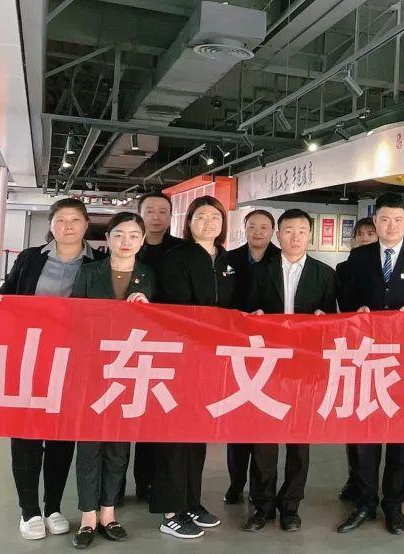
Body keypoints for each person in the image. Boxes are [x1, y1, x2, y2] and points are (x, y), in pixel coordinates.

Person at [0, 198, 106, 541]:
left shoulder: (98, 263)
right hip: (29, 359)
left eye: (75, 220)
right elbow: (8, 294)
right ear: (51, 225)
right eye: (61, 220)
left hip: (74, 363)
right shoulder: (30, 258)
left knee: (60, 436)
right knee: (26, 434)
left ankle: (53, 506)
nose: (68, 226)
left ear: (86, 225)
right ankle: (29, 510)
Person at [335, 193, 404, 535]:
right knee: (366, 434)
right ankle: (365, 502)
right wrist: (357, 311)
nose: (390, 226)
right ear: (375, 221)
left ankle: (393, 505)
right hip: (366, 357)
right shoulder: (359, 257)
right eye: (384, 219)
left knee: (397, 436)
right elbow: (345, 299)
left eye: (397, 220)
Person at [241, 209, 337, 533]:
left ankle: (291, 506)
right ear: (278, 235)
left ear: (310, 235)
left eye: (301, 231)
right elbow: (244, 314)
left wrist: (324, 319)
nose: (295, 237)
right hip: (266, 365)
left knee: (299, 441)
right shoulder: (258, 271)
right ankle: (262, 505)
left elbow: (332, 323)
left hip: (305, 367)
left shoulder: (325, 274)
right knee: (263, 440)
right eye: (289, 231)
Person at [68, 212, 154, 549]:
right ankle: (88, 516)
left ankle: (109, 513)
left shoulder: (148, 275)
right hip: (92, 369)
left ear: (142, 240)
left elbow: (161, 325)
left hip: (130, 370)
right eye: (118, 234)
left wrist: (148, 307)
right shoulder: (90, 272)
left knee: (119, 446)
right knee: (90, 445)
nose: (125, 241)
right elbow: (73, 317)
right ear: (108, 238)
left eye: (133, 235)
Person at [153, 195, 235, 539]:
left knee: (198, 432)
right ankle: (171, 511)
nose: (208, 223)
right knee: (175, 433)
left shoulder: (228, 260)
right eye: (200, 217)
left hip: (214, 359)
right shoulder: (176, 258)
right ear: (188, 223)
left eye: (214, 217)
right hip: (181, 357)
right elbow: (177, 308)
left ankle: (191, 502)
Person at [221, 209, 281, 506]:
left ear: (273, 231)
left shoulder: (281, 260)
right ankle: (236, 483)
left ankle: (262, 491)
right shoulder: (228, 259)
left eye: (264, 227)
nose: (258, 232)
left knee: (265, 426)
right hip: (236, 348)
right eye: (252, 226)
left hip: (272, 351)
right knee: (238, 421)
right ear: (243, 229)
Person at [132, 191, 183, 503]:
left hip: (170, 344)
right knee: (132, 412)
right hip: (130, 343)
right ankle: (129, 483)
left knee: (161, 414)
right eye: (150, 210)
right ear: (140, 214)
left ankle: (154, 481)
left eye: (162, 211)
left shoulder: (181, 250)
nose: (156, 216)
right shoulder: (129, 245)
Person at [335, 216, 378, 503]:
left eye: (369, 233)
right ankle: (356, 477)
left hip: (387, 351)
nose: (364, 237)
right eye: (360, 233)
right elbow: (342, 304)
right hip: (354, 349)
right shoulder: (343, 268)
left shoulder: (386, 266)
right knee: (356, 419)